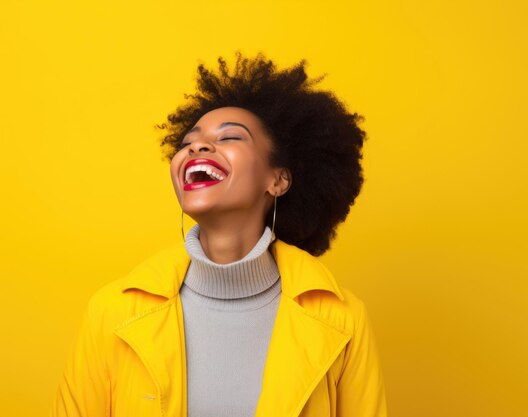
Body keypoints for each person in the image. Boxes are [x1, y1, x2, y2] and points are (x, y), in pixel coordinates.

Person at [51, 52, 388, 417]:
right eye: (186, 143)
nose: (196, 147)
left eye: (230, 137)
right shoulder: (111, 312)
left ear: (277, 179)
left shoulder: (343, 319)